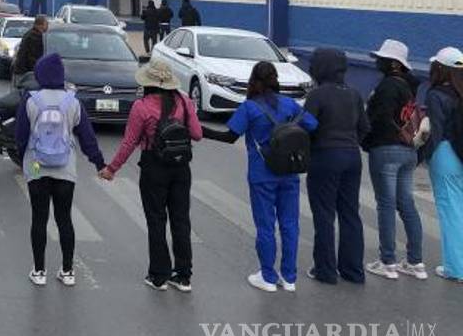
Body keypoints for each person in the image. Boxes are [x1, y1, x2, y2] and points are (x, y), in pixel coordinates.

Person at [203, 62, 317, 292]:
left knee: (265, 226)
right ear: (275, 79)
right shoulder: (289, 104)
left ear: (253, 80)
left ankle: (267, 276)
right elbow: (313, 125)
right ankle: (289, 278)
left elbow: (229, 136)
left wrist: (201, 130)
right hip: (289, 172)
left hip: (262, 174)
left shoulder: (250, 107)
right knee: (290, 225)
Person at [100, 60, 201, 291]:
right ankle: (183, 276)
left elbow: (129, 143)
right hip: (181, 168)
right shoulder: (184, 101)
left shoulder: (141, 106)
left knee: (156, 220)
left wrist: (111, 169)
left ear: (148, 82)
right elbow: (197, 134)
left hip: (154, 168)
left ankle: (159, 276)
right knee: (181, 220)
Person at [16, 53, 106, 287]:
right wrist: (99, 162)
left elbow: (21, 136)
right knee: (64, 218)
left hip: (37, 165)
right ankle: (67, 271)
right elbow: (87, 137)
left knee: (39, 218)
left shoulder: (31, 99)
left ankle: (39, 271)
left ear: (40, 74)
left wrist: (24, 159)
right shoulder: (72, 102)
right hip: (65, 167)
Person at [302, 48, 369, 284]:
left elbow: (306, 127)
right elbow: (364, 128)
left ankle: (326, 270)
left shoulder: (317, 95)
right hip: (352, 156)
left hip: (325, 156)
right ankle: (353, 270)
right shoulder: (354, 94)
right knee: (350, 214)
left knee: (324, 214)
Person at [363, 39, 425, 280]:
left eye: (382, 59)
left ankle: (387, 261)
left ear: (394, 64)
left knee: (386, 205)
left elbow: (379, 118)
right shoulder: (409, 88)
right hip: (408, 150)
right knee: (406, 204)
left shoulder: (388, 87)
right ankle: (415, 262)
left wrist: (366, 141)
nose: (377, 62)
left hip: (386, 149)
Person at [424, 47, 463, 282]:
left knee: (450, 210)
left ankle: (456, 268)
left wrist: (422, 156)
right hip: (460, 154)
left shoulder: (436, 95)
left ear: (440, 68)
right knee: (459, 207)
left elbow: (434, 132)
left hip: (444, 153)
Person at [12, 14, 49, 78]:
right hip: (26, 72)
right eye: (46, 24)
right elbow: (34, 57)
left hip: (23, 70)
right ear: (40, 25)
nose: (48, 26)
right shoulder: (35, 37)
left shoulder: (31, 34)